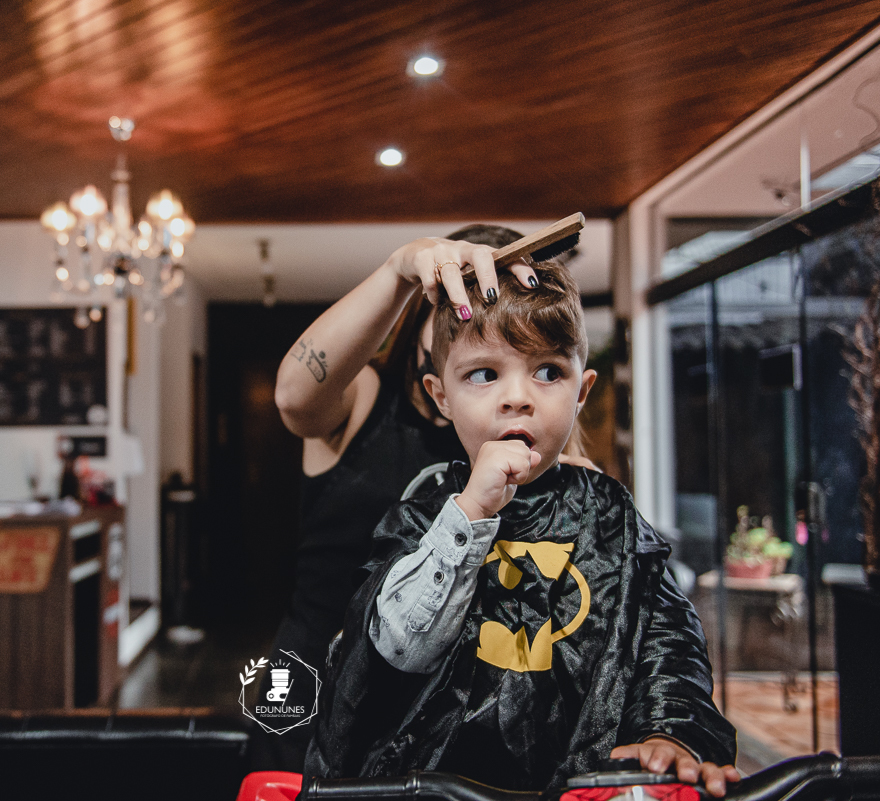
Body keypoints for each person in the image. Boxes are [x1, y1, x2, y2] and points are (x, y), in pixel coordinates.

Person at [304, 260, 739, 794]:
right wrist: (471, 512)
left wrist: (671, 731)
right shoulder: (417, 519)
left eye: (548, 372)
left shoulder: (610, 515)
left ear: (582, 391)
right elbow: (395, 650)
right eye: (484, 375)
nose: (517, 397)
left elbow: (665, 641)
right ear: (442, 396)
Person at [257, 225, 582, 772]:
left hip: (425, 715)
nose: (511, 392)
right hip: (308, 680)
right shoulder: (363, 401)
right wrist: (399, 270)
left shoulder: (528, 444)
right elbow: (292, 396)